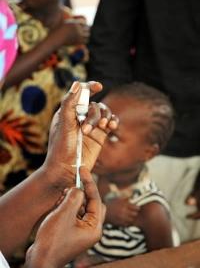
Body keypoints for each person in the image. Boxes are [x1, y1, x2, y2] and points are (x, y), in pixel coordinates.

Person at [0, 0, 119, 267]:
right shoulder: (11, 20)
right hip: (12, 146)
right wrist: (43, 260)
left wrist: (56, 171)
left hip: (45, 147)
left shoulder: (75, 25)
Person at [88, 0, 200, 243]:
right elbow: (109, 41)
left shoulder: (151, 209)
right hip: (141, 131)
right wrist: (112, 124)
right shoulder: (111, 161)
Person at [73, 82, 176, 267]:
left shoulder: (149, 209)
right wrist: (103, 213)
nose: (95, 140)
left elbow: (165, 263)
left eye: (112, 137)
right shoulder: (86, 176)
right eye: (95, 126)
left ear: (148, 153)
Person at [0, 0, 89, 191]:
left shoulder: (76, 25)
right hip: (8, 145)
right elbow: (4, 77)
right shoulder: (8, 18)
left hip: (52, 146)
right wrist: (57, 39)